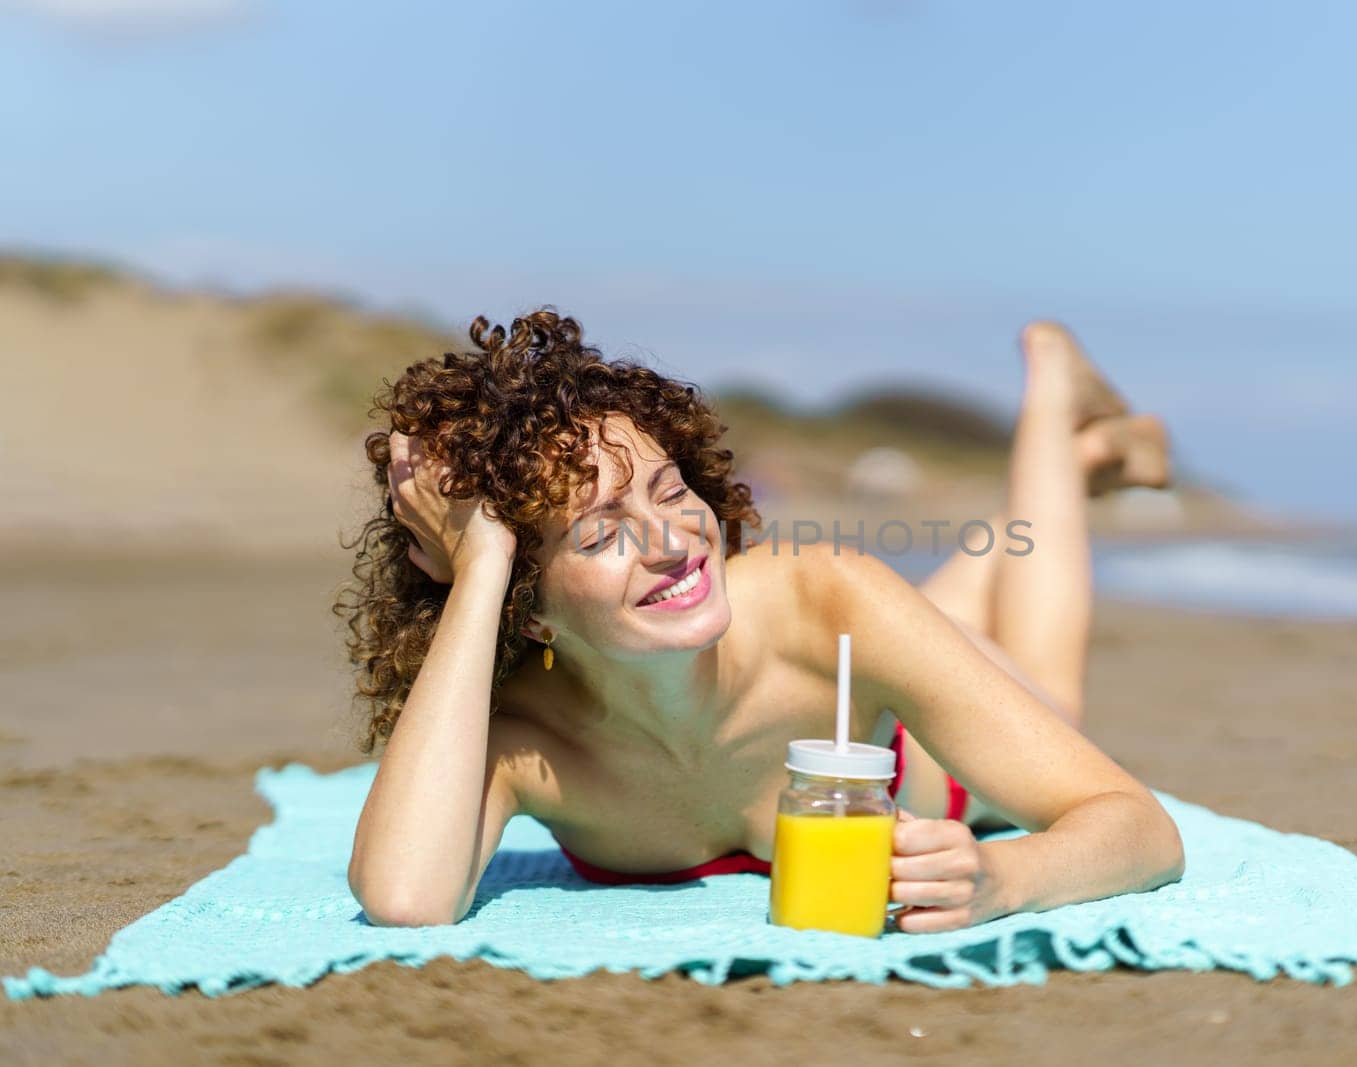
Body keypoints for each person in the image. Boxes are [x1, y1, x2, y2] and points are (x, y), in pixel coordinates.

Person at [339, 310, 1184, 932]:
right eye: (599, 533)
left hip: (884, 684)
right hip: (861, 643)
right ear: (531, 612)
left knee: (1045, 689)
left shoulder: (829, 595)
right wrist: (481, 562)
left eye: (672, 490)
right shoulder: (526, 741)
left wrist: (1007, 872)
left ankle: (1052, 390)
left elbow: (1136, 825)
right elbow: (407, 895)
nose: (674, 541)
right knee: (951, 605)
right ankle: (1075, 462)